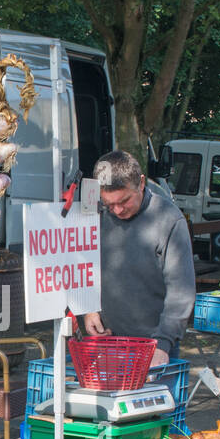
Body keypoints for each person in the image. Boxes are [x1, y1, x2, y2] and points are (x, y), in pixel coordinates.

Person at [81, 150, 196, 365]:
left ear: (141, 183)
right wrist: (88, 309)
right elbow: (83, 264)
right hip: (107, 342)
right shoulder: (94, 214)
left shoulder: (169, 219)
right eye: (109, 204)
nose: (116, 210)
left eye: (124, 201)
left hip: (154, 346)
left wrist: (163, 344)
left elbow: (181, 291)